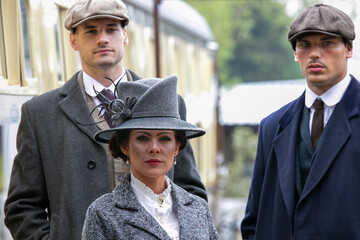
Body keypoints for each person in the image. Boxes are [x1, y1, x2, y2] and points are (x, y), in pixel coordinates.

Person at [4, 0, 207, 239]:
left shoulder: (168, 103)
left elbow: (191, 194)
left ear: (125, 36)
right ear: (73, 40)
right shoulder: (40, 113)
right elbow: (21, 207)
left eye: (111, 29)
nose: (102, 38)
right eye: (91, 31)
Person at [241, 4, 359, 239]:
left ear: (348, 48)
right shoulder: (272, 126)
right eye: (305, 45)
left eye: (327, 43)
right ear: (296, 53)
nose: (315, 53)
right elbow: (255, 220)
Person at [81, 75, 218, 240]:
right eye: (142, 138)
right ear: (124, 146)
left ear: (177, 147)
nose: (154, 148)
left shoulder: (198, 207)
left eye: (165, 138)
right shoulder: (102, 213)